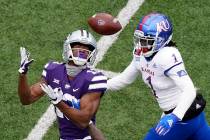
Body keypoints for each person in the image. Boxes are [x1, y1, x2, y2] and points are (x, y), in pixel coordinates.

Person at [107, 12, 210, 140]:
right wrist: (100, 85)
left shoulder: (167, 55)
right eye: (140, 39)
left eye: (146, 41)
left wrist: (174, 117)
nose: (141, 44)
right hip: (187, 116)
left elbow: (189, 89)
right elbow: (125, 79)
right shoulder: (141, 55)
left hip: (183, 117)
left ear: (161, 40)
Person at [18, 29, 107, 140]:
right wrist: (22, 75)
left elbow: (83, 121)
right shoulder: (53, 70)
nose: (83, 50)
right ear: (68, 47)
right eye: (78, 46)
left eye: (87, 48)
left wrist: (58, 102)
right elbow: (27, 99)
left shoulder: (94, 79)